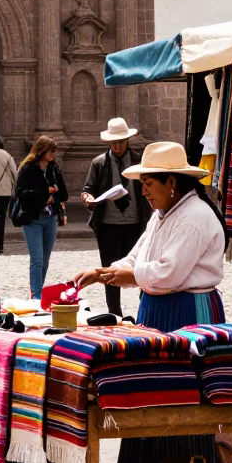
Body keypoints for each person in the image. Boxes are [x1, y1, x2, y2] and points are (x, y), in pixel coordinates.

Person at [74, 140, 228, 463]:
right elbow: (137, 256)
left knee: (188, 393)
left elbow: (169, 273)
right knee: (151, 388)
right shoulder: (164, 215)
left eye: (149, 185)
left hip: (190, 313)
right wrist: (103, 272)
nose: (143, 192)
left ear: (171, 182)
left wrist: (125, 277)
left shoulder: (195, 217)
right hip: (158, 311)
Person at [81, 117, 150, 316]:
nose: (118, 146)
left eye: (121, 141)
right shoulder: (99, 163)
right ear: (108, 142)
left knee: (141, 270)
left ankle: (144, 311)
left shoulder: (139, 161)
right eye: (114, 142)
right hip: (108, 226)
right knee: (110, 271)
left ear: (128, 140)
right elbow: (88, 189)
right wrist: (88, 199)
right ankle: (115, 313)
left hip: (136, 224)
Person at [14, 136, 68, 299]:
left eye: (54, 151)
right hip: (33, 218)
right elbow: (21, 194)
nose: (53, 154)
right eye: (51, 151)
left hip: (51, 218)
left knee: (45, 259)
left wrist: (57, 193)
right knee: (36, 259)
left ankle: (38, 290)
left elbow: (64, 193)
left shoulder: (54, 169)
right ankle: (36, 295)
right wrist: (46, 192)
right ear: (42, 150)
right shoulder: (27, 169)